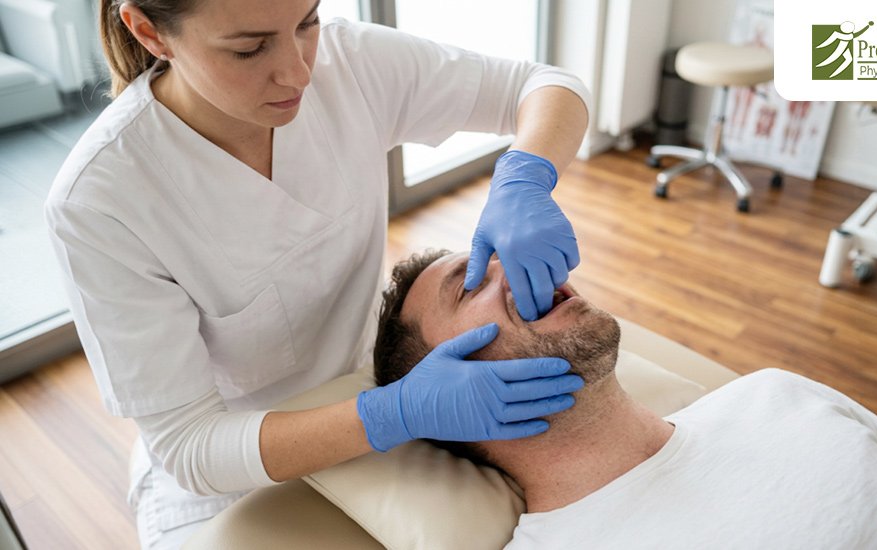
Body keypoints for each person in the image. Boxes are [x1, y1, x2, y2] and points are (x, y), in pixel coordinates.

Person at [44, 1, 591, 547]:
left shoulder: (351, 61)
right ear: (149, 32)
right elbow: (191, 446)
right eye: (249, 48)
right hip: (232, 472)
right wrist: (394, 413)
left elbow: (542, 86)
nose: (300, 71)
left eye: (308, 21)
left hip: (378, 397)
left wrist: (525, 176)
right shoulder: (101, 200)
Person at [373, 249, 877, 549]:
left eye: (504, 251)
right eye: (472, 283)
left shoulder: (778, 393)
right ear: (446, 389)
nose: (525, 266)